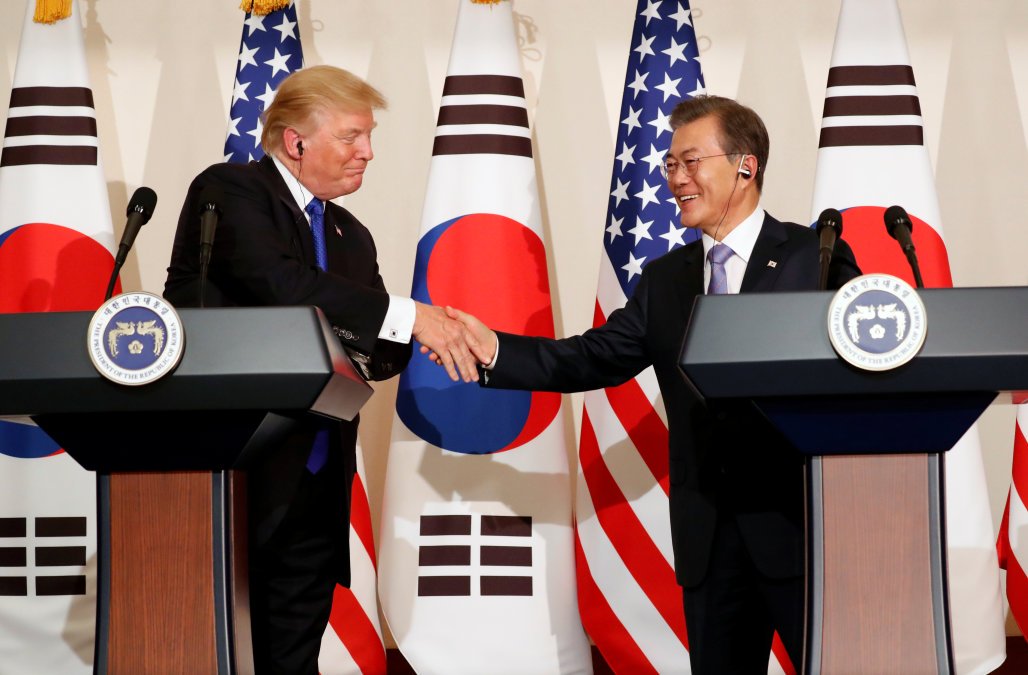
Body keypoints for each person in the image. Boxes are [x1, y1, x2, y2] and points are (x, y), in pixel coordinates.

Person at [441, 95, 861, 674]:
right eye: (670, 166)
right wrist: (493, 347)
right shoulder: (666, 279)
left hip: (800, 529)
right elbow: (591, 359)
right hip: (708, 537)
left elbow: (857, 370)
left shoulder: (814, 258)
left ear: (746, 164)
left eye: (691, 162)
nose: (676, 180)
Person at [164, 65, 479, 674]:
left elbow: (382, 353)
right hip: (231, 470)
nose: (368, 152)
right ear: (295, 141)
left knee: (292, 658)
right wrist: (406, 318)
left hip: (314, 476)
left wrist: (422, 332)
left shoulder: (351, 234)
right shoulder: (230, 191)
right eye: (352, 136)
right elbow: (280, 283)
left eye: (369, 136)